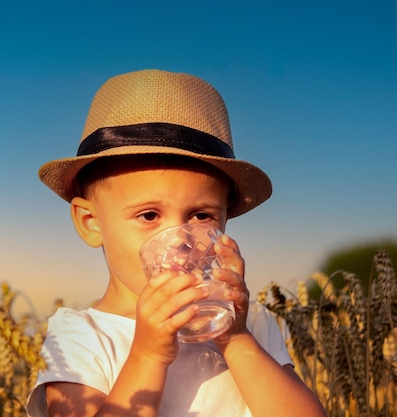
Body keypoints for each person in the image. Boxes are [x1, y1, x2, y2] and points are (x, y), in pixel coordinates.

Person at [26, 69, 326, 417]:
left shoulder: (252, 322)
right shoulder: (79, 338)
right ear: (91, 223)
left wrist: (236, 339)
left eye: (201, 216)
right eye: (149, 215)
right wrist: (147, 355)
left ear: (226, 218)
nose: (181, 240)